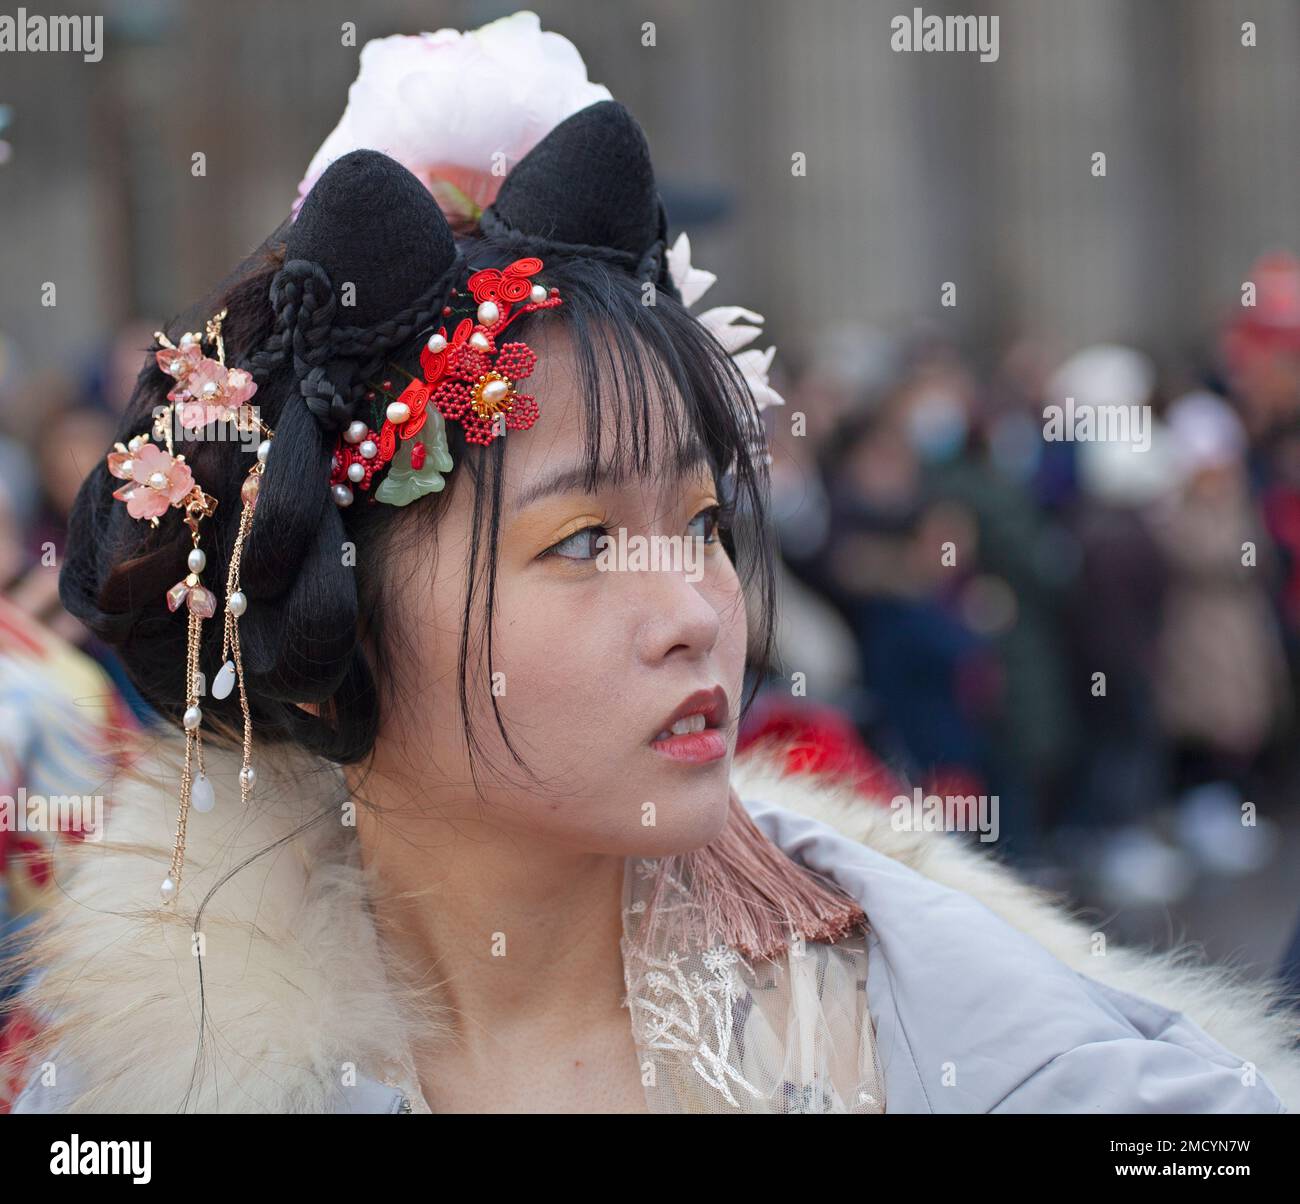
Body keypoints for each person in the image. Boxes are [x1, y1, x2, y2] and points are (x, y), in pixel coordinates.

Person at [2, 13, 1297, 1115]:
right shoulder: (138, 1080)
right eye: (581, 542)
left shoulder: (900, 998)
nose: (701, 613)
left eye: (700, 528)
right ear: (331, 599)